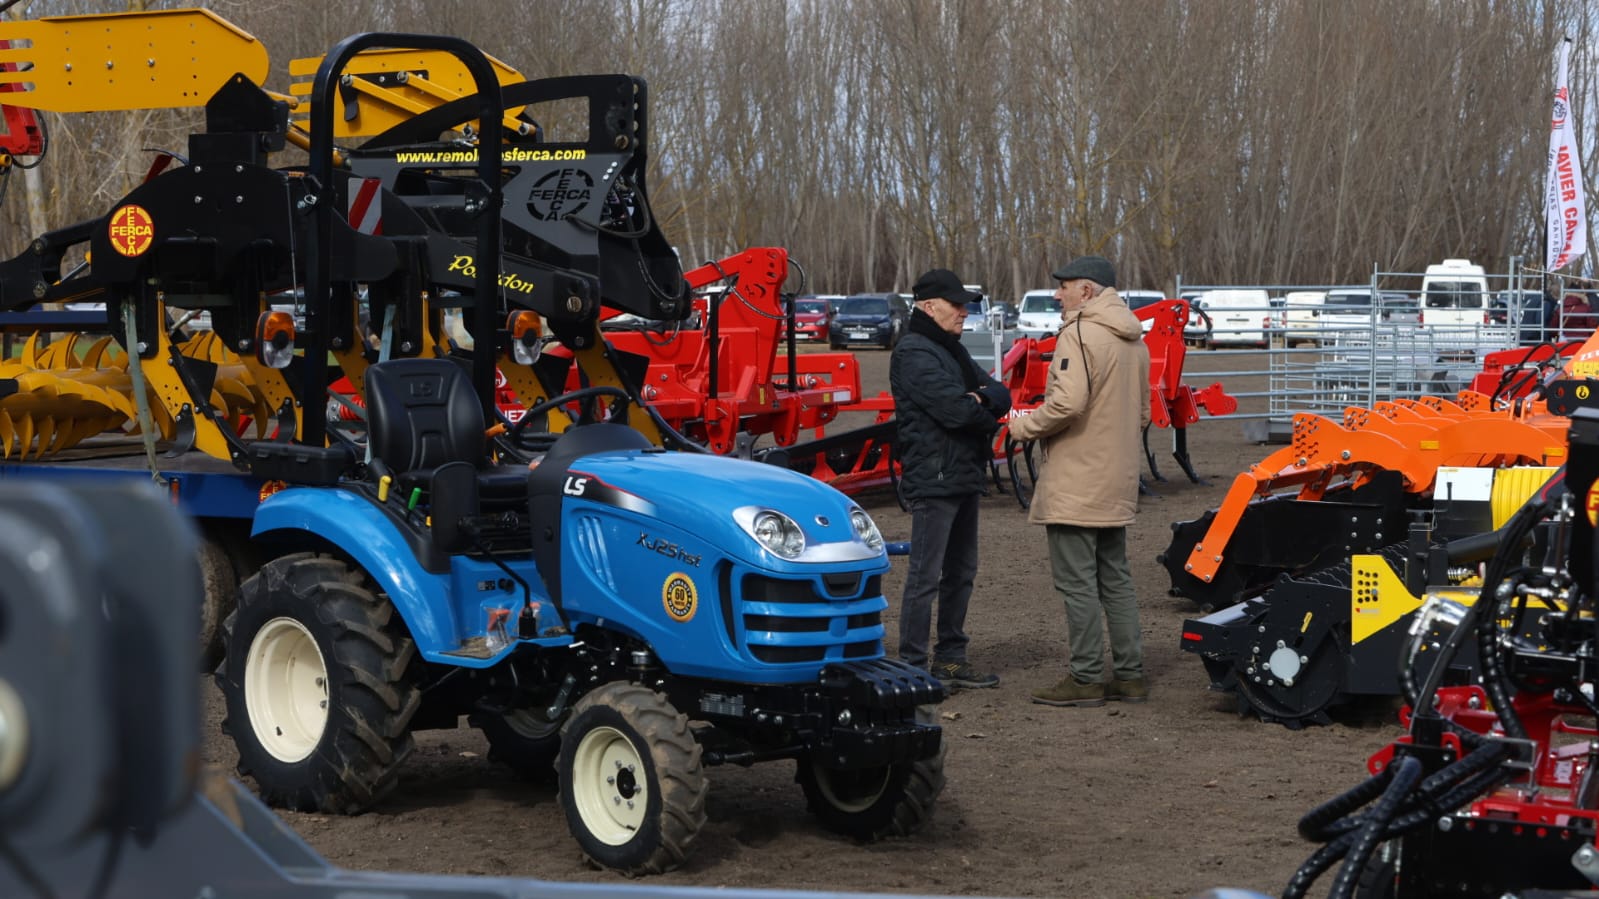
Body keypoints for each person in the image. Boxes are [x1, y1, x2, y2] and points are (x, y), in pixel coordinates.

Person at [1006, 255, 1151, 707]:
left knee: (1077, 583)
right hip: (1117, 477)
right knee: (1116, 579)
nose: (1057, 294)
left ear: (1086, 291)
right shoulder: (1134, 339)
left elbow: (1067, 404)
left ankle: (1085, 677)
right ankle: (1130, 674)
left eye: (1064, 286)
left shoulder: (1081, 333)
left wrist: (1022, 427)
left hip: (1077, 479)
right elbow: (1143, 413)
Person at [889, 268, 1011, 690]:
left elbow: (1000, 393)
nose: (964, 312)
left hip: (962, 474)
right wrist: (981, 406)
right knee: (925, 576)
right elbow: (958, 412)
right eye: (956, 304)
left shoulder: (949, 349)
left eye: (965, 305)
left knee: (961, 572)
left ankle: (951, 658)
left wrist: (980, 400)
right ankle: (913, 665)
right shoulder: (914, 353)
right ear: (928, 306)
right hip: (934, 477)